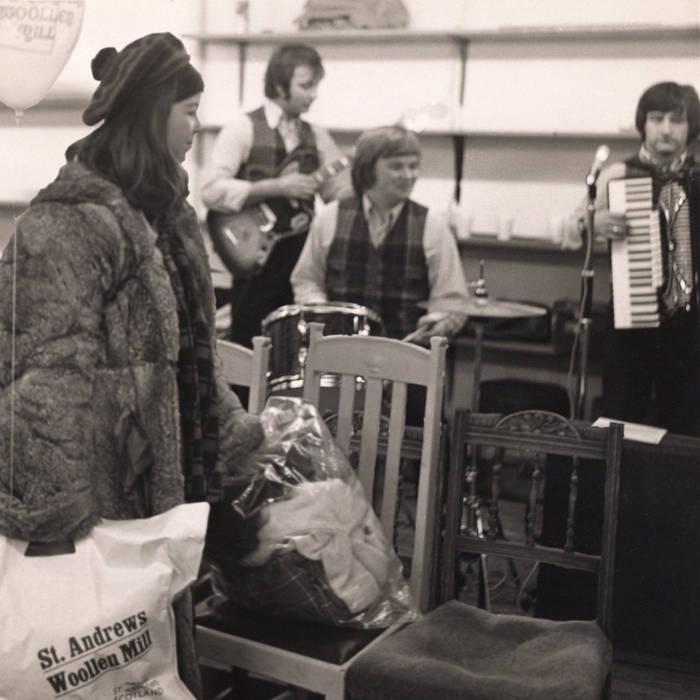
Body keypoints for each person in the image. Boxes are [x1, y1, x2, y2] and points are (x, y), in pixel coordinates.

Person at [0, 33, 265, 699]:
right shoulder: (67, 224)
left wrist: (238, 440)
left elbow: (193, 355)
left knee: (147, 665)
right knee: (88, 663)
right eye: (189, 112)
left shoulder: (169, 216)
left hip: (159, 492)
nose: (197, 129)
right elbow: (40, 380)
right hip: (99, 499)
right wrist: (52, 516)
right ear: (151, 113)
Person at [566, 81, 700, 436]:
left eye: (676, 120)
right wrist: (592, 223)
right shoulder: (618, 175)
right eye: (657, 119)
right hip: (630, 320)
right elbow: (568, 231)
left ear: (691, 127)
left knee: (686, 427)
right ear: (643, 124)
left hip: (690, 329)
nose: (666, 129)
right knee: (623, 422)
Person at [200, 43, 351, 350]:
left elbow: (337, 194)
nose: (313, 95)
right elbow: (211, 191)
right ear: (280, 85)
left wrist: (364, 177)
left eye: (315, 86)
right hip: (255, 260)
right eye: (305, 86)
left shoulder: (317, 136)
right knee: (248, 345)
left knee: (293, 348)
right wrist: (278, 187)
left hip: (300, 261)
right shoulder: (243, 128)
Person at [291, 124, 469, 347]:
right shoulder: (329, 218)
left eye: (413, 166)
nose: (409, 175)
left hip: (407, 357)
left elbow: (452, 300)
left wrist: (438, 321)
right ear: (368, 169)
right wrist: (321, 312)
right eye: (397, 166)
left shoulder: (433, 226)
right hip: (338, 353)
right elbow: (306, 280)